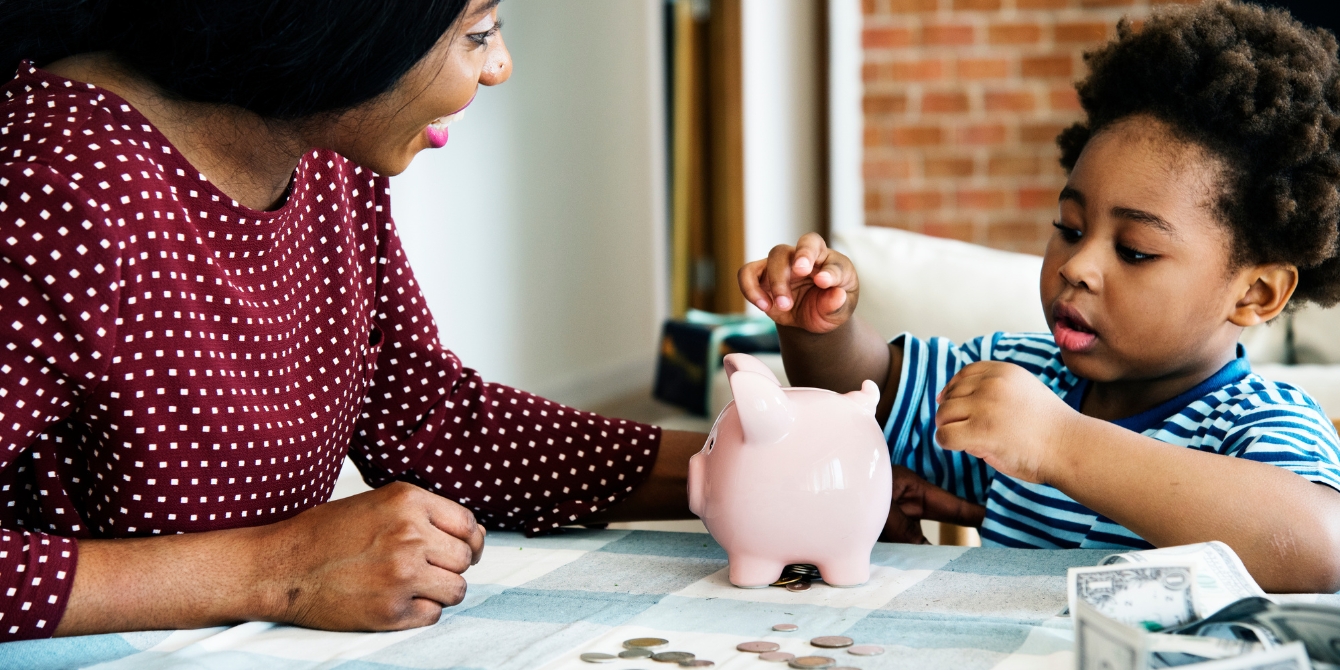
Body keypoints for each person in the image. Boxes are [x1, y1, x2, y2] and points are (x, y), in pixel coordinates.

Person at [0, 0, 712, 641]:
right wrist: (280, 569)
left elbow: (424, 419)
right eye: (478, 32)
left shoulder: (321, 146)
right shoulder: (53, 190)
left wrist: (733, 468)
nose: (499, 67)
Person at [740, 0, 1340, 593]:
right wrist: (821, 327)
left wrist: (1058, 442)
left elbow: (1320, 551)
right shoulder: (1019, 374)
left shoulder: (1259, 426)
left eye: (1134, 250)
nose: (1077, 265)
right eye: (1070, 229)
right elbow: (871, 395)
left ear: (1255, 293)